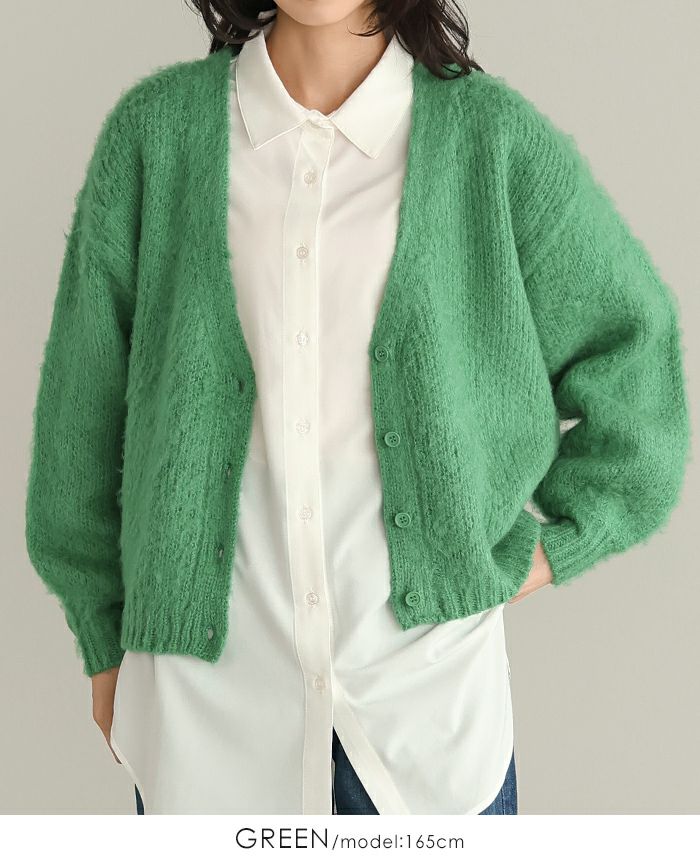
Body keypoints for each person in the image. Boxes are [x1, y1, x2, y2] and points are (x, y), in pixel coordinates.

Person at [25, 0, 690, 815]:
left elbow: (636, 362)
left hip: (426, 725)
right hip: (208, 735)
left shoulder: (492, 141)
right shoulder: (155, 137)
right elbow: (80, 421)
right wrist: (101, 636)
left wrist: (538, 552)